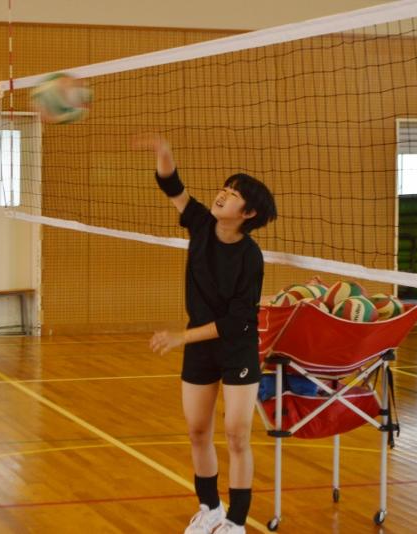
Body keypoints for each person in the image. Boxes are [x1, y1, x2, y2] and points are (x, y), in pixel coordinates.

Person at [134, 134, 277, 533]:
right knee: (198, 431)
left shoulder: (250, 257)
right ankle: (210, 508)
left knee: (236, 435)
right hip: (201, 348)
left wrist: (182, 337)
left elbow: (236, 321)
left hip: (236, 348)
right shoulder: (200, 223)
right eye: (225, 188)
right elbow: (172, 186)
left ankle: (235, 522)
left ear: (248, 213)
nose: (222, 195)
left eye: (233, 194)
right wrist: (164, 153)